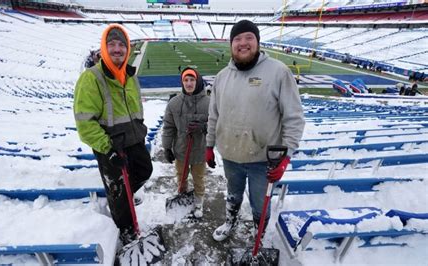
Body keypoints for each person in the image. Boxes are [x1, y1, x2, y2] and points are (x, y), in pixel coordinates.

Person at [206, 20, 305, 242]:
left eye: (249, 38)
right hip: (230, 155)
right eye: (237, 39)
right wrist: (209, 145)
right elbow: (213, 115)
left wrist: (286, 156)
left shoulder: (279, 72)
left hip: (263, 159)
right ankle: (230, 221)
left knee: (260, 203)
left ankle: (257, 232)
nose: (243, 43)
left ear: (258, 42)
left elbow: (294, 118)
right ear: (231, 45)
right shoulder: (222, 77)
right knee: (233, 194)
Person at [73, 24, 152, 246]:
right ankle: (127, 234)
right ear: (104, 48)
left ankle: (121, 201)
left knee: (145, 170)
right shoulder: (92, 78)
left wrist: (140, 131)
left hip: (134, 140)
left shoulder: (130, 76)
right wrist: (108, 148)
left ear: (128, 49)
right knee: (118, 190)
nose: (117, 49)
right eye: (112, 44)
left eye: (121, 45)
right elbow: (85, 123)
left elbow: (136, 110)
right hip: (110, 146)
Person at [162, 67, 210, 218]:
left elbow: (218, 125)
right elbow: (169, 127)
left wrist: (204, 127)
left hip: (200, 150)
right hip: (181, 149)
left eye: (192, 80)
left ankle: (198, 201)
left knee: (199, 178)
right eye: (186, 80)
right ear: (182, 82)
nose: (189, 83)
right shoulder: (174, 103)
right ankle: (182, 198)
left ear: (198, 81)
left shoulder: (209, 103)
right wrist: (167, 148)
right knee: (181, 177)